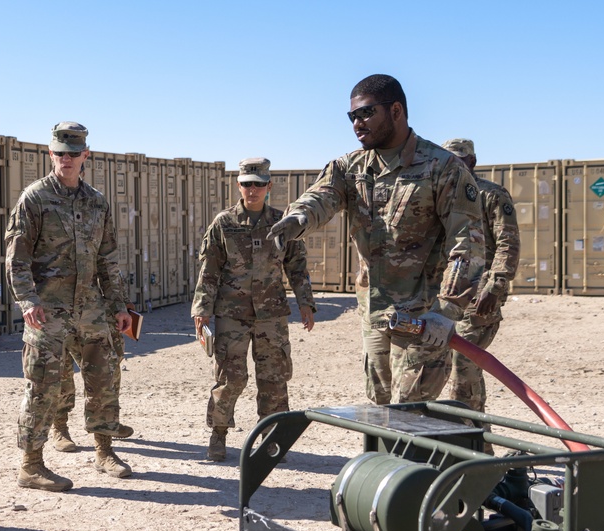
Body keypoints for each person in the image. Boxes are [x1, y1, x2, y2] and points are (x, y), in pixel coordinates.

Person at [267, 74, 484, 404]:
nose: (357, 122)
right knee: (380, 410)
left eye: (366, 113)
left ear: (396, 110)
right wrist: (297, 219)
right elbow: (321, 197)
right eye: (352, 116)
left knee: (410, 415)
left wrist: (448, 311)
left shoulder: (443, 168)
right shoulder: (350, 168)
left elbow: (467, 244)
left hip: (423, 319)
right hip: (376, 317)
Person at [6, 121, 133, 487]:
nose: (66, 159)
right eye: (60, 152)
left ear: (85, 156)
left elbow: (108, 259)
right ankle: (31, 464)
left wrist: (119, 306)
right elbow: (17, 258)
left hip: (91, 307)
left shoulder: (97, 201)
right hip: (48, 307)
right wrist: (27, 300)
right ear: (50, 154)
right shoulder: (34, 198)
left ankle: (105, 450)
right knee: (43, 384)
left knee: (105, 377)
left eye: (73, 153)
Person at [192, 158, 316, 462]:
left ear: (269, 186)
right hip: (231, 313)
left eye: (259, 184)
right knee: (230, 377)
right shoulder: (224, 223)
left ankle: (272, 438)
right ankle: (218, 435)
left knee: (274, 377)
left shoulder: (282, 222)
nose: (253, 189)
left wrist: (306, 302)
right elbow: (210, 269)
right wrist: (202, 308)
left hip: (271, 314)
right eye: (247, 183)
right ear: (238, 185)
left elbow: (297, 267)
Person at [441, 138, 520, 420]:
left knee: (464, 364)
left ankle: (469, 444)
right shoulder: (442, 194)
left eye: (458, 160)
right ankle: (477, 445)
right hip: (444, 295)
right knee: (451, 369)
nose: (452, 166)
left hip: (479, 297)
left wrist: (495, 287)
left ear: (472, 162)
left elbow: (508, 244)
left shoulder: (491, 195)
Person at [49, 294, 136, 453]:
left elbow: (111, 273)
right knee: (63, 372)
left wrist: (122, 303)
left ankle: (109, 423)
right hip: (62, 310)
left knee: (108, 370)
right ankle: (60, 427)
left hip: (99, 312)